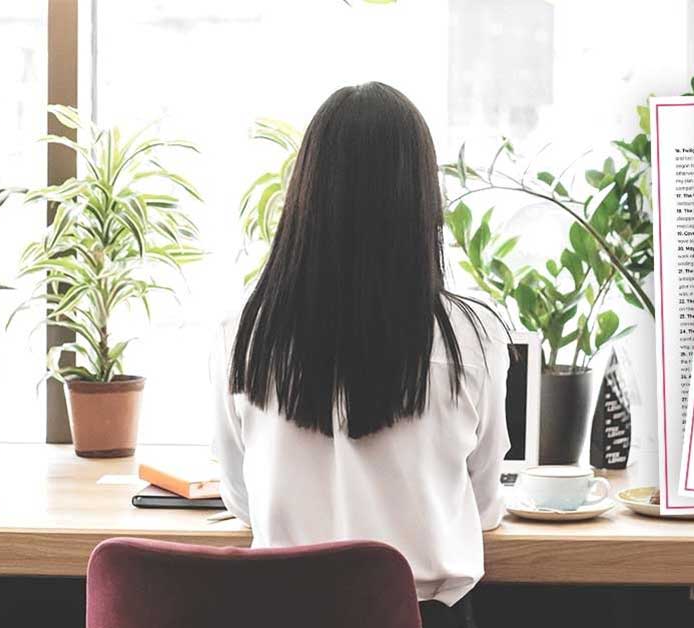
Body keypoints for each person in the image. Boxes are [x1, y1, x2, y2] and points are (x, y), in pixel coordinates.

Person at [212, 82, 509, 628]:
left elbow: (240, 497)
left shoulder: (245, 335)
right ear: (421, 199)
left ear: (305, 195)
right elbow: (486, 506)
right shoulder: (474, 337)